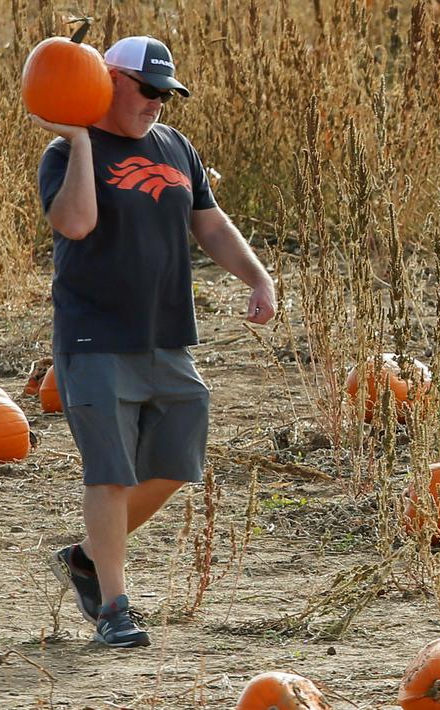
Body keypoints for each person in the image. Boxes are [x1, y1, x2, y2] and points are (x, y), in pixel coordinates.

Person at [31, 35, 276, 648]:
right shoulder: (65, 154)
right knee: (109, 473)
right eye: (147, 90)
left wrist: (258, 276)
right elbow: (77, 223)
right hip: (94, 336)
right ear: (107, 78)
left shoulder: (176, 147)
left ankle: (87, 555)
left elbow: (210, 223)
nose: (157, 104)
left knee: (178, 457)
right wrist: (83, 138)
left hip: (166, 336)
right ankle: (114, 606)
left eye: (166, 94)